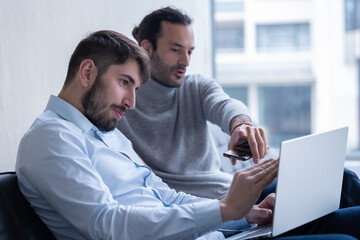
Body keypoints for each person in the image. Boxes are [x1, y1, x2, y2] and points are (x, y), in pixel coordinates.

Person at [15, 30, 360, 240]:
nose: (132, 103)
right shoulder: (52, 139)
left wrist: (244, 214)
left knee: (350, 217)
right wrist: (224, 209)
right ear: (88, 72)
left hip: (212, 233)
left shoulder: (108, 134)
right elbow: (107, 225)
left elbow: (168, 197)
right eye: (125, 83)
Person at [116, 6, 360, 207]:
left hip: (243, 190)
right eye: (175, 50)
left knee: (344, 179)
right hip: (215, 207)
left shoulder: (196, 87)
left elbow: (224, 104)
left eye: (190, 51)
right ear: (146, 48)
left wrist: (241, 125)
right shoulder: (122, 103)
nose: (186, 61)